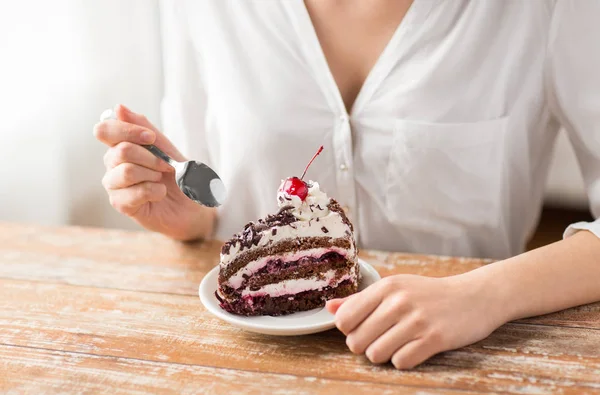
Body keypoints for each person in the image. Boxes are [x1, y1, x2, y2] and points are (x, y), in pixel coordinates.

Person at [93, 1, 600, 369]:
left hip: (454, 362)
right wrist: (193, 218)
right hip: (246, 363)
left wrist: (485, 296)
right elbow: (216, 195)